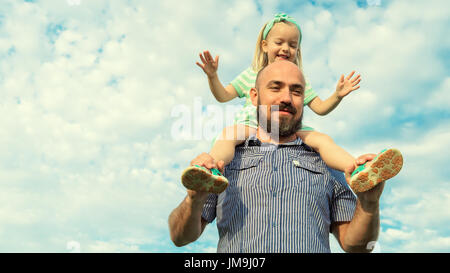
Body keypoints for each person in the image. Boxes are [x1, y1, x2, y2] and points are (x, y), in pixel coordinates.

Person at [169, 61, 403, 252]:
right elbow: (180, 237)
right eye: (275, 87)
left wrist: (369, 204)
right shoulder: (226, 160)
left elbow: (357, 247)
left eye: (296, 91)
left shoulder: (325, 159)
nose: (287, 98)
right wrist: (194, 199)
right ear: (254, 96)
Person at [183, 13, 367, 193]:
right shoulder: (252, 74)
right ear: (265, 45)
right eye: (279, 43)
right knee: (228, 135)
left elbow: (320, 108)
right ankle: (210, 169)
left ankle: (358, 169)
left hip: (288, 128)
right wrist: (213, 76)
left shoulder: (300, 79)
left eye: (292, 45)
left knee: (323, 140)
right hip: (252, 124)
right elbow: (223, 96)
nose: (286, 48)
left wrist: (337, 95)